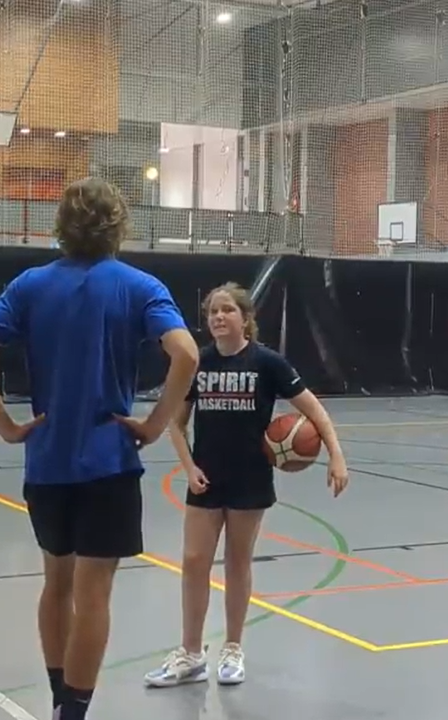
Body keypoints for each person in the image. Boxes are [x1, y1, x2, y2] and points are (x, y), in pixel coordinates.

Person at [0, 177, 199, 720]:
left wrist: (6, 426)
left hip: (47, 464)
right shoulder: (139, 286)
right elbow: (187, 354)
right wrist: (155, 423)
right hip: (107, 462)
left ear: (62, 226)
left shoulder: (30, 285)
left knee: (56, 584)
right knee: (93, 595)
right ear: (118, 226)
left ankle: (64, 718)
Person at [143, 282, 349, 689]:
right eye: (213, 312)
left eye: (227, 310)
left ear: (245, 318)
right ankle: (191, 654)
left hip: (251, 479)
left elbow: (315, 412)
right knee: (194, 561)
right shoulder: (198, 362)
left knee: (238, 563)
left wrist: (336, 455)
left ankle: (233, 648)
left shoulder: (268, 363)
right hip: (206, 479)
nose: (219, 317)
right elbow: (176, 424)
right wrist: (189, 468)